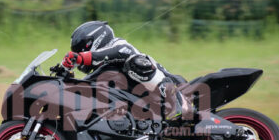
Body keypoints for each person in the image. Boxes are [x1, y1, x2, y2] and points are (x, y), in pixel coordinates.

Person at [61, 20, 189, 121]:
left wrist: (82, 58)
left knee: (135, 63)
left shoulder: (118, 45)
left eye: (81, 51)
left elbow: (119, 52)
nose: (79, 54)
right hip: (148, 108)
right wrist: (66, 74)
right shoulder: (103, 70)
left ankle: (175, 104)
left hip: (177, 88)